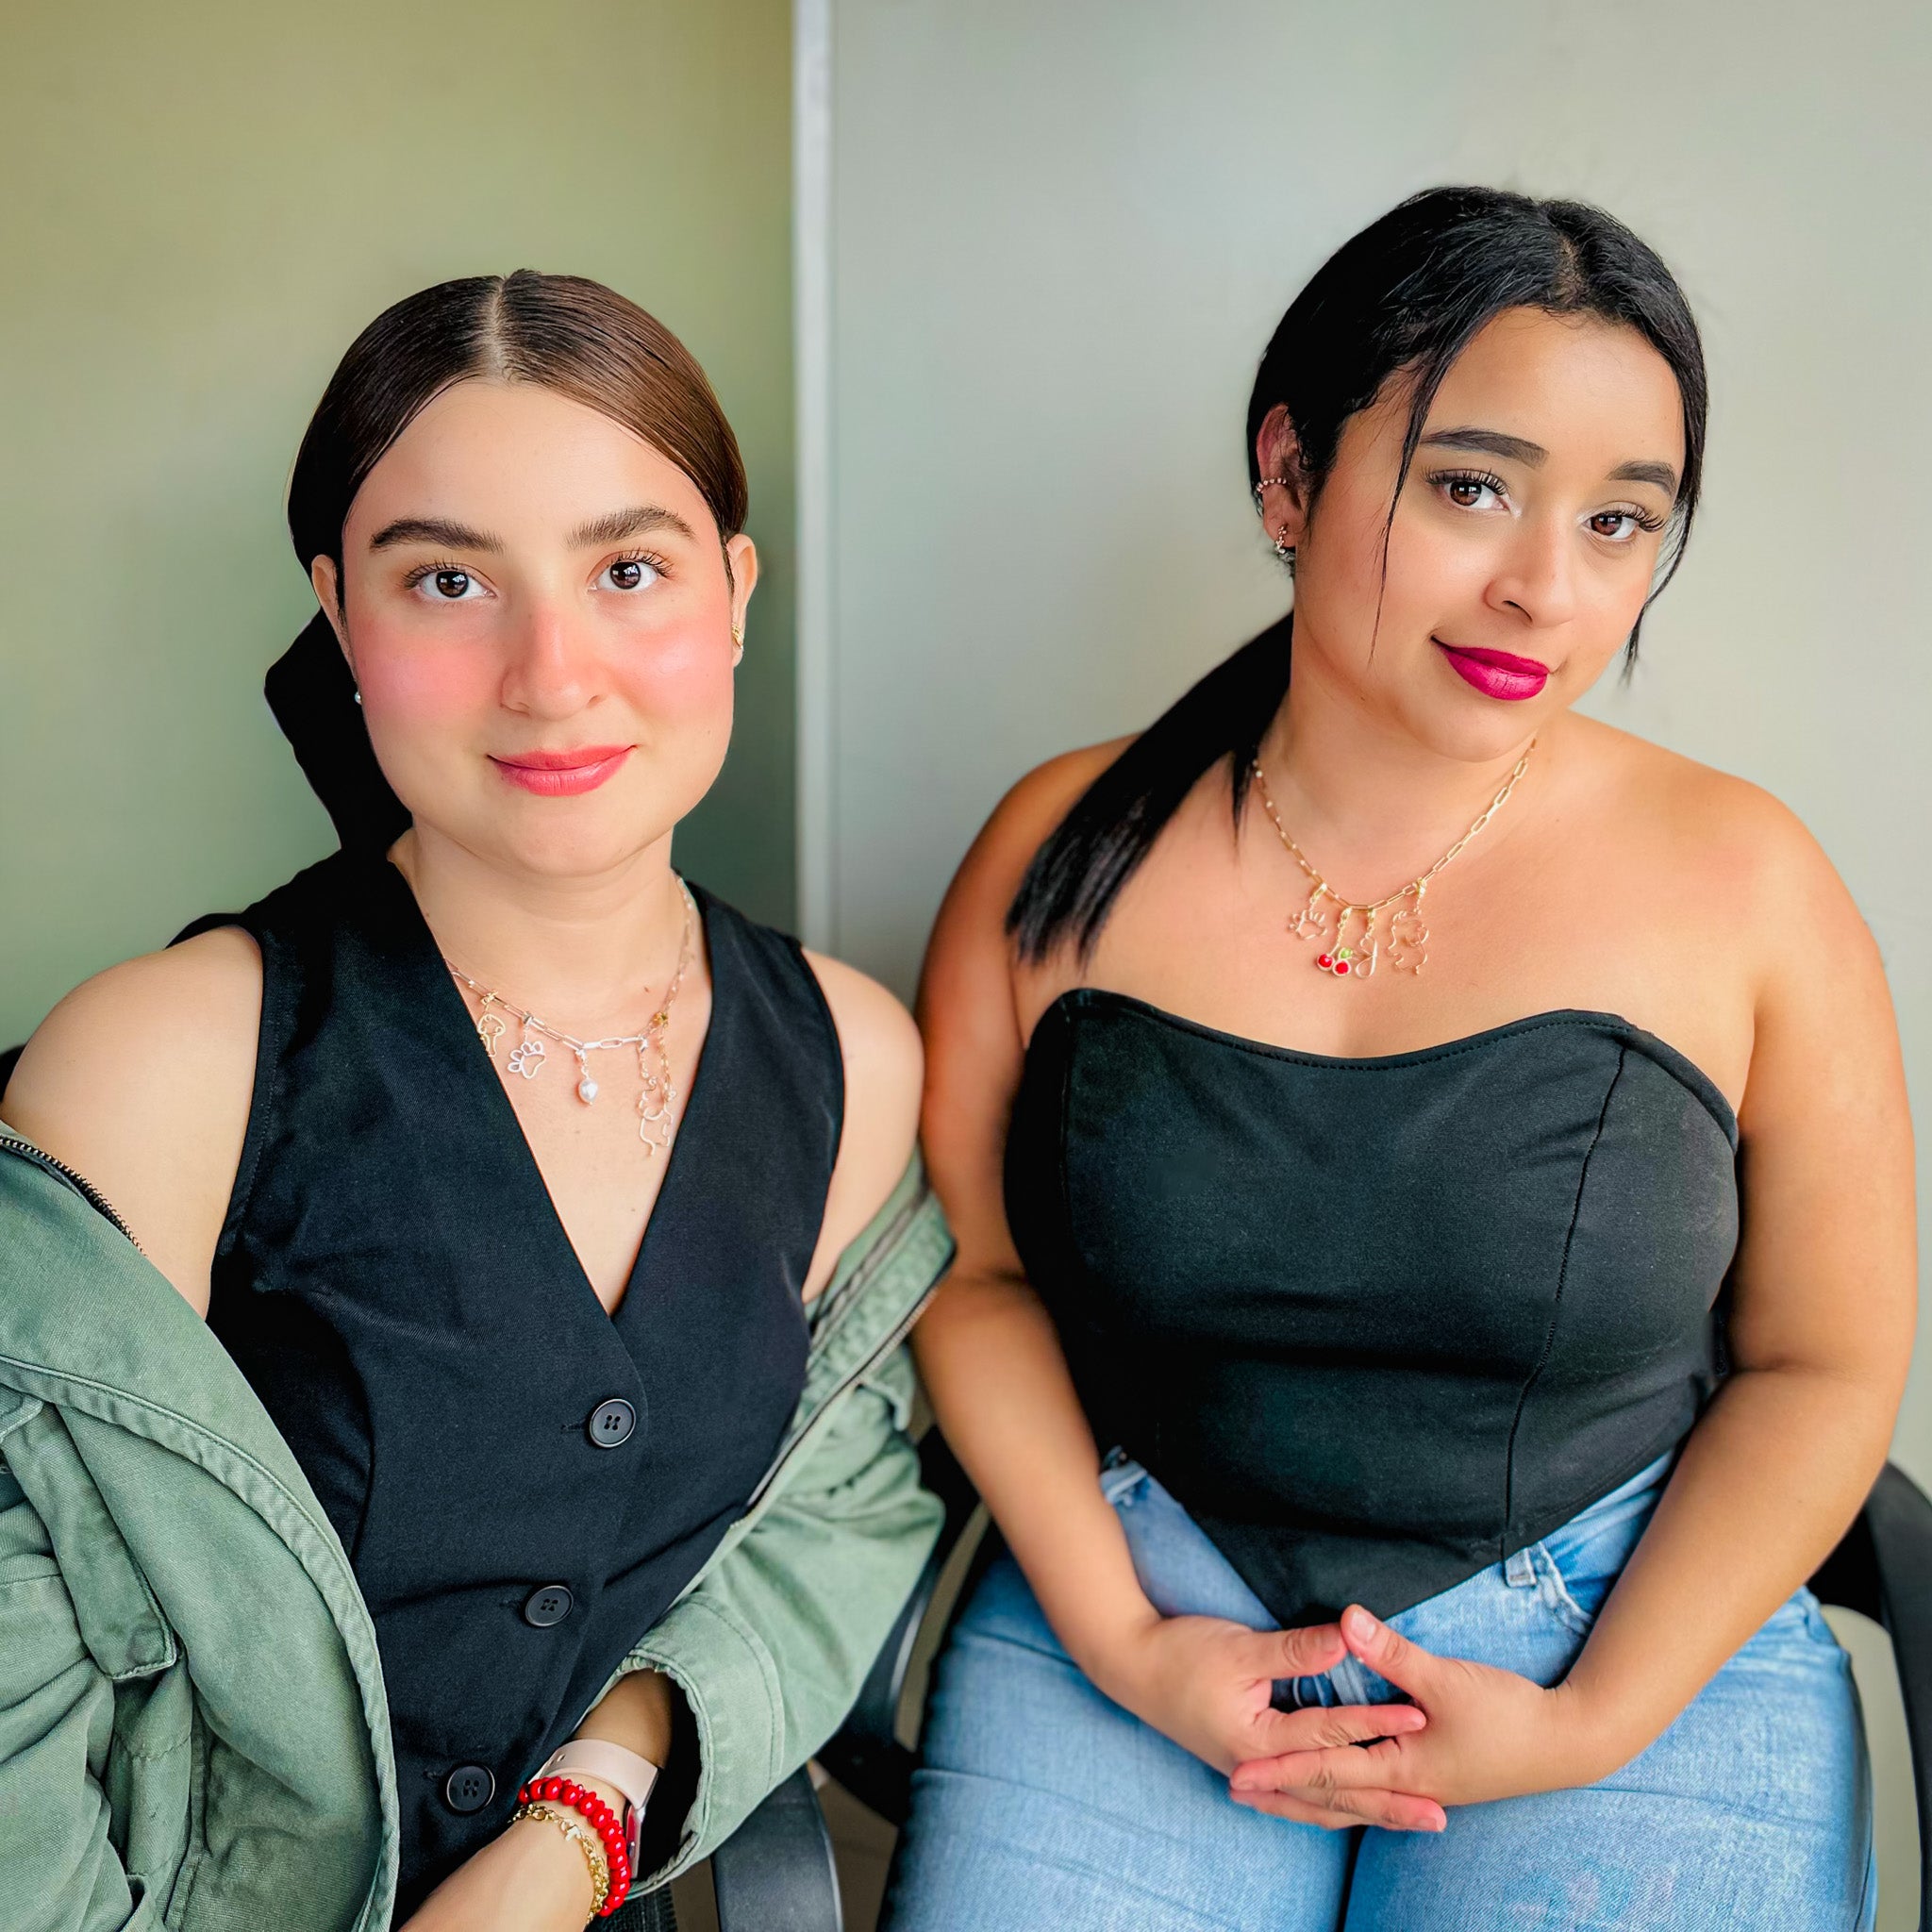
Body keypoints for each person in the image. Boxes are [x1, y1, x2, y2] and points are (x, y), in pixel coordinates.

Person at [884, 187, 1914, 1929]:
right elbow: (969, 1276)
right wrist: (1130, 1641)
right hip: (1148, 1600)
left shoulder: (1749, 882)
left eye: (1619, 521)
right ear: (1291, 476)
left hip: (1631, 1630)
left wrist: (1596, 1716)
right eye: (1469, 487)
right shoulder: (1060, 849)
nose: (1544, 585)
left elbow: (1826, 1364)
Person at [0, 271, 950, 1932]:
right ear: (339, 614)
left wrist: (592, 1809)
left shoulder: (853, 1060)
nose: (551, 671)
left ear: (732, 594)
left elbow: (835, 1526)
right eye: (448, 581)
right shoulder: (160, 1065)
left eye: (629, 569)